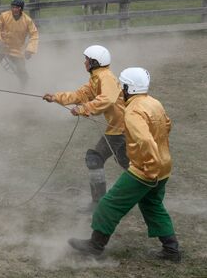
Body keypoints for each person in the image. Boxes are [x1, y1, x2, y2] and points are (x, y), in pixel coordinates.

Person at [67, 67, 181, 263]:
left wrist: (150, 168)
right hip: (164, 167)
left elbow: (145, 141)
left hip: (145, 170)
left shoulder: (133, 111)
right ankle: (171, 250)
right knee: (152, 206)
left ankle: (95, 246)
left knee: (109, 204)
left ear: (129, 87)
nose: (120, 90)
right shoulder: (154, 102)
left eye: (123, 86)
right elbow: (167, 125)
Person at [43, 45, 129, 211]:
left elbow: (107, 100)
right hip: (119, 127)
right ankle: (148, 184)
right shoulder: (97, 78)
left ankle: (98, 204)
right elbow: (80, 95)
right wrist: (55, 97)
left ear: (94, 62)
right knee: (127, 162)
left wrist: (83, 109)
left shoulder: (106, 78)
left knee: (94, 158)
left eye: (87, 60)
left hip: (121, 127)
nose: (84, 62)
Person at [0, 0, 38, 85]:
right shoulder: (4, 16)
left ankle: (24, 87)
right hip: (2, 47)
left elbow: (34, 34)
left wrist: (30, 50)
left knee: (22, 71)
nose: (14, 9)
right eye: (13, 7)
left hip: (17, 49)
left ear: (21, 9)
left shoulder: (27, 20)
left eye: (17, 7)